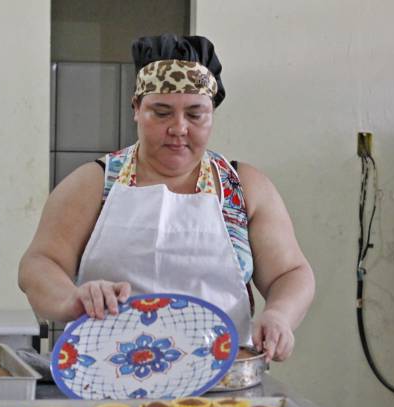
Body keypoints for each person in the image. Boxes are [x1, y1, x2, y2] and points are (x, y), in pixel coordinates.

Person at [19, 34, 314, 362]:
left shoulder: (243, 188)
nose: (178, 128)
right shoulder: (94, 184)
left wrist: (280, 316)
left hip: (223, 385)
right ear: (136, 109)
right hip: (106, 379)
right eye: (161, 113)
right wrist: (71, 299)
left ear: (212, 113)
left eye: (195, 114)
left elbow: (290, 272)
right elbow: (39, 264)